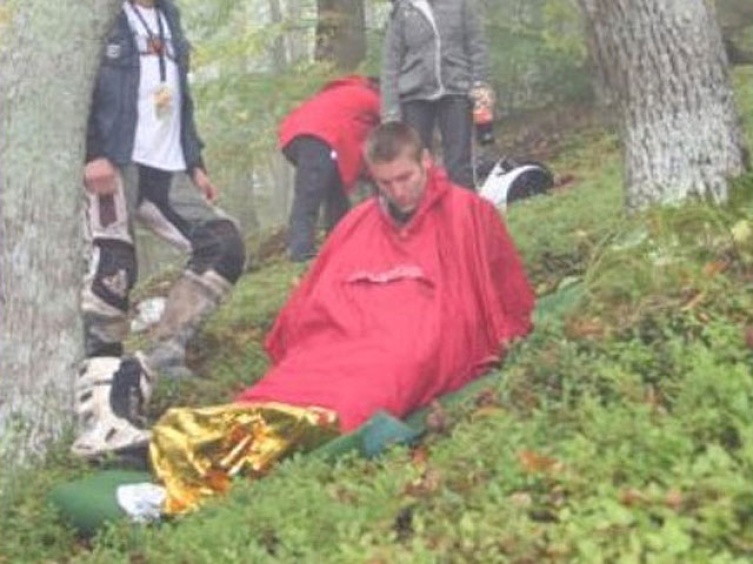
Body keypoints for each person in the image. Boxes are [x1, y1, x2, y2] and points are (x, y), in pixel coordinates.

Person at [148, 123, 535, 513]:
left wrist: (505, 334)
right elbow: (317, 293)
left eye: (406, 177)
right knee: (306, 365)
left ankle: (287, 440)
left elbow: (503, 285)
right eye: (386, 183)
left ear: (427, 162)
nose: (399, 191)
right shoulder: (359, 221)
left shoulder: (468, 212)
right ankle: (229, 431)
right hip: (349, 329)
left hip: (418, 329)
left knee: (390, 370)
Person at [72, 0, 246, 458]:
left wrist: (196, 161)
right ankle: (102, 419)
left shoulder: (169, 16)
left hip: (166, 168)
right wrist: (92, 152)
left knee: (224, 243)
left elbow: (179, 97)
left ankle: (164, 353)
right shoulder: (103, 14)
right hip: (115, 160)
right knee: (113, 272)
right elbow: (78, 89)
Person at [380, 0, 494, 190]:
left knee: (459, 163)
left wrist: (480, 84)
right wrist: (391, 113)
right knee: (415, 162)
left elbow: (476, 46)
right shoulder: (403, 10)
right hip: (414, 96)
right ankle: (422, 215)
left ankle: (464, 214)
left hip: (456, 89)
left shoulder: (461, 5)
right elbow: (391, 65)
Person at [278, 75, 380, 262]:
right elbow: (391, 130)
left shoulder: (338, 94)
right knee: (310, 195)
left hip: (297, 138)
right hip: (318, 138)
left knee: (335, 191)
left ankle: (338, 244)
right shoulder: (368, 97)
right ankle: (300, 250)